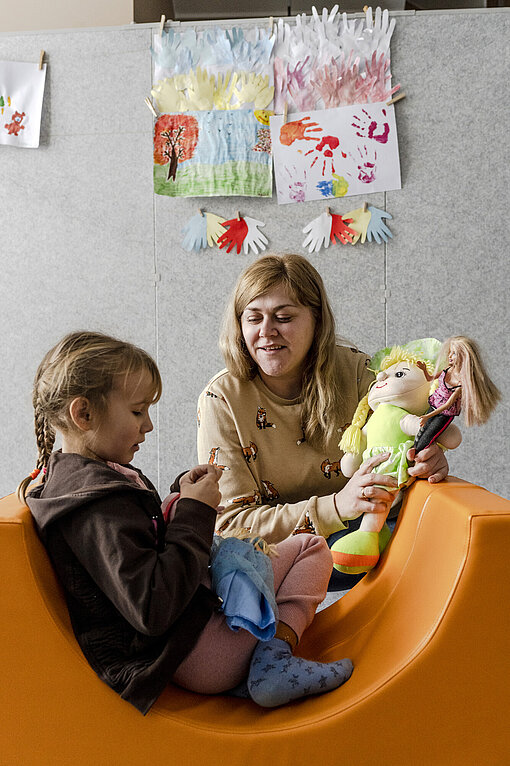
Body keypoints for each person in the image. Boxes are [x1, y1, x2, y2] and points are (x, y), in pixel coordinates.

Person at [19, 331, 353, 715]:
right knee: (311, 549)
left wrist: (181, 497)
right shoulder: (95, 506)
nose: (148, 426)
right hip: (194, 652)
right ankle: (273, 660)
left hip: (186, 642)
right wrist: (195, 514)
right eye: (136, 411)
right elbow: (153, 606)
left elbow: (142, 548)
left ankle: (263, 662)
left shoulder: (88, 481)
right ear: (84, 414)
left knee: (280, 552)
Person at [197, 254, 449, 584]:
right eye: (252, 318)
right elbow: (230, 525)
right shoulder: (222, 398)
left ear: (316, 320)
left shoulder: (361, 374)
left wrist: (427, 464)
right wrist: (337, 506)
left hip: (367, 532)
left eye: (283, 317)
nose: (266, 331)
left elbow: (399, 450)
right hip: (269, 556)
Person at [414, 335, 500, 454]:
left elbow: (448, 405)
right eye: (450, 352)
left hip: (444, 414)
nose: (449, 356)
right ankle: (413, 451)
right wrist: (424, 369)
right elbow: (430, 378)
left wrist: (428, 416)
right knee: (421, 432)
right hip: (435, 404)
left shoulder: (460, 384)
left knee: (428, 436)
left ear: (463, 357)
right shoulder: (447, 370)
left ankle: (417, 453)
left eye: (454, 353)